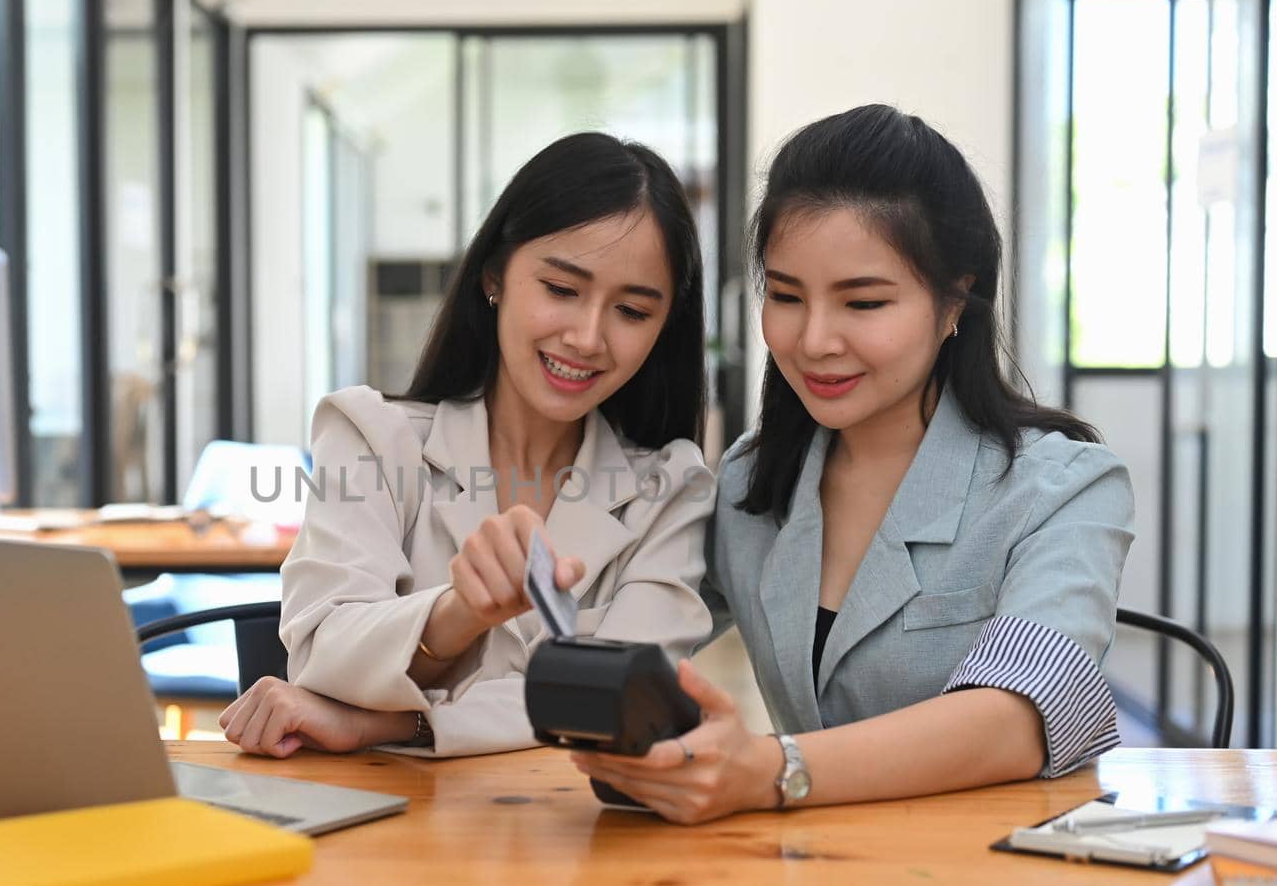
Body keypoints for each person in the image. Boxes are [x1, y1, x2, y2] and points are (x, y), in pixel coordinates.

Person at [576, 104, 1134, 823]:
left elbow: (1017, 717)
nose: (813, 341)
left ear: (954, 301)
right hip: (809, 883)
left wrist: (775, 768)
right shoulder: (749, 484)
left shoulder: (1064, 487)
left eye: (863, 302)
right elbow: (628, 637)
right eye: (783, 296)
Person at [219, 132, 715, 758]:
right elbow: (321, 653)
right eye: (561, 290)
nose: (588, 338)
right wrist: (459, 612)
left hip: (576, 838)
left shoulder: (671, 488)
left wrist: (393, 723)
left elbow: (626, 700)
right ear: (494, 278)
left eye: (633, 311)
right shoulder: (372, 435)